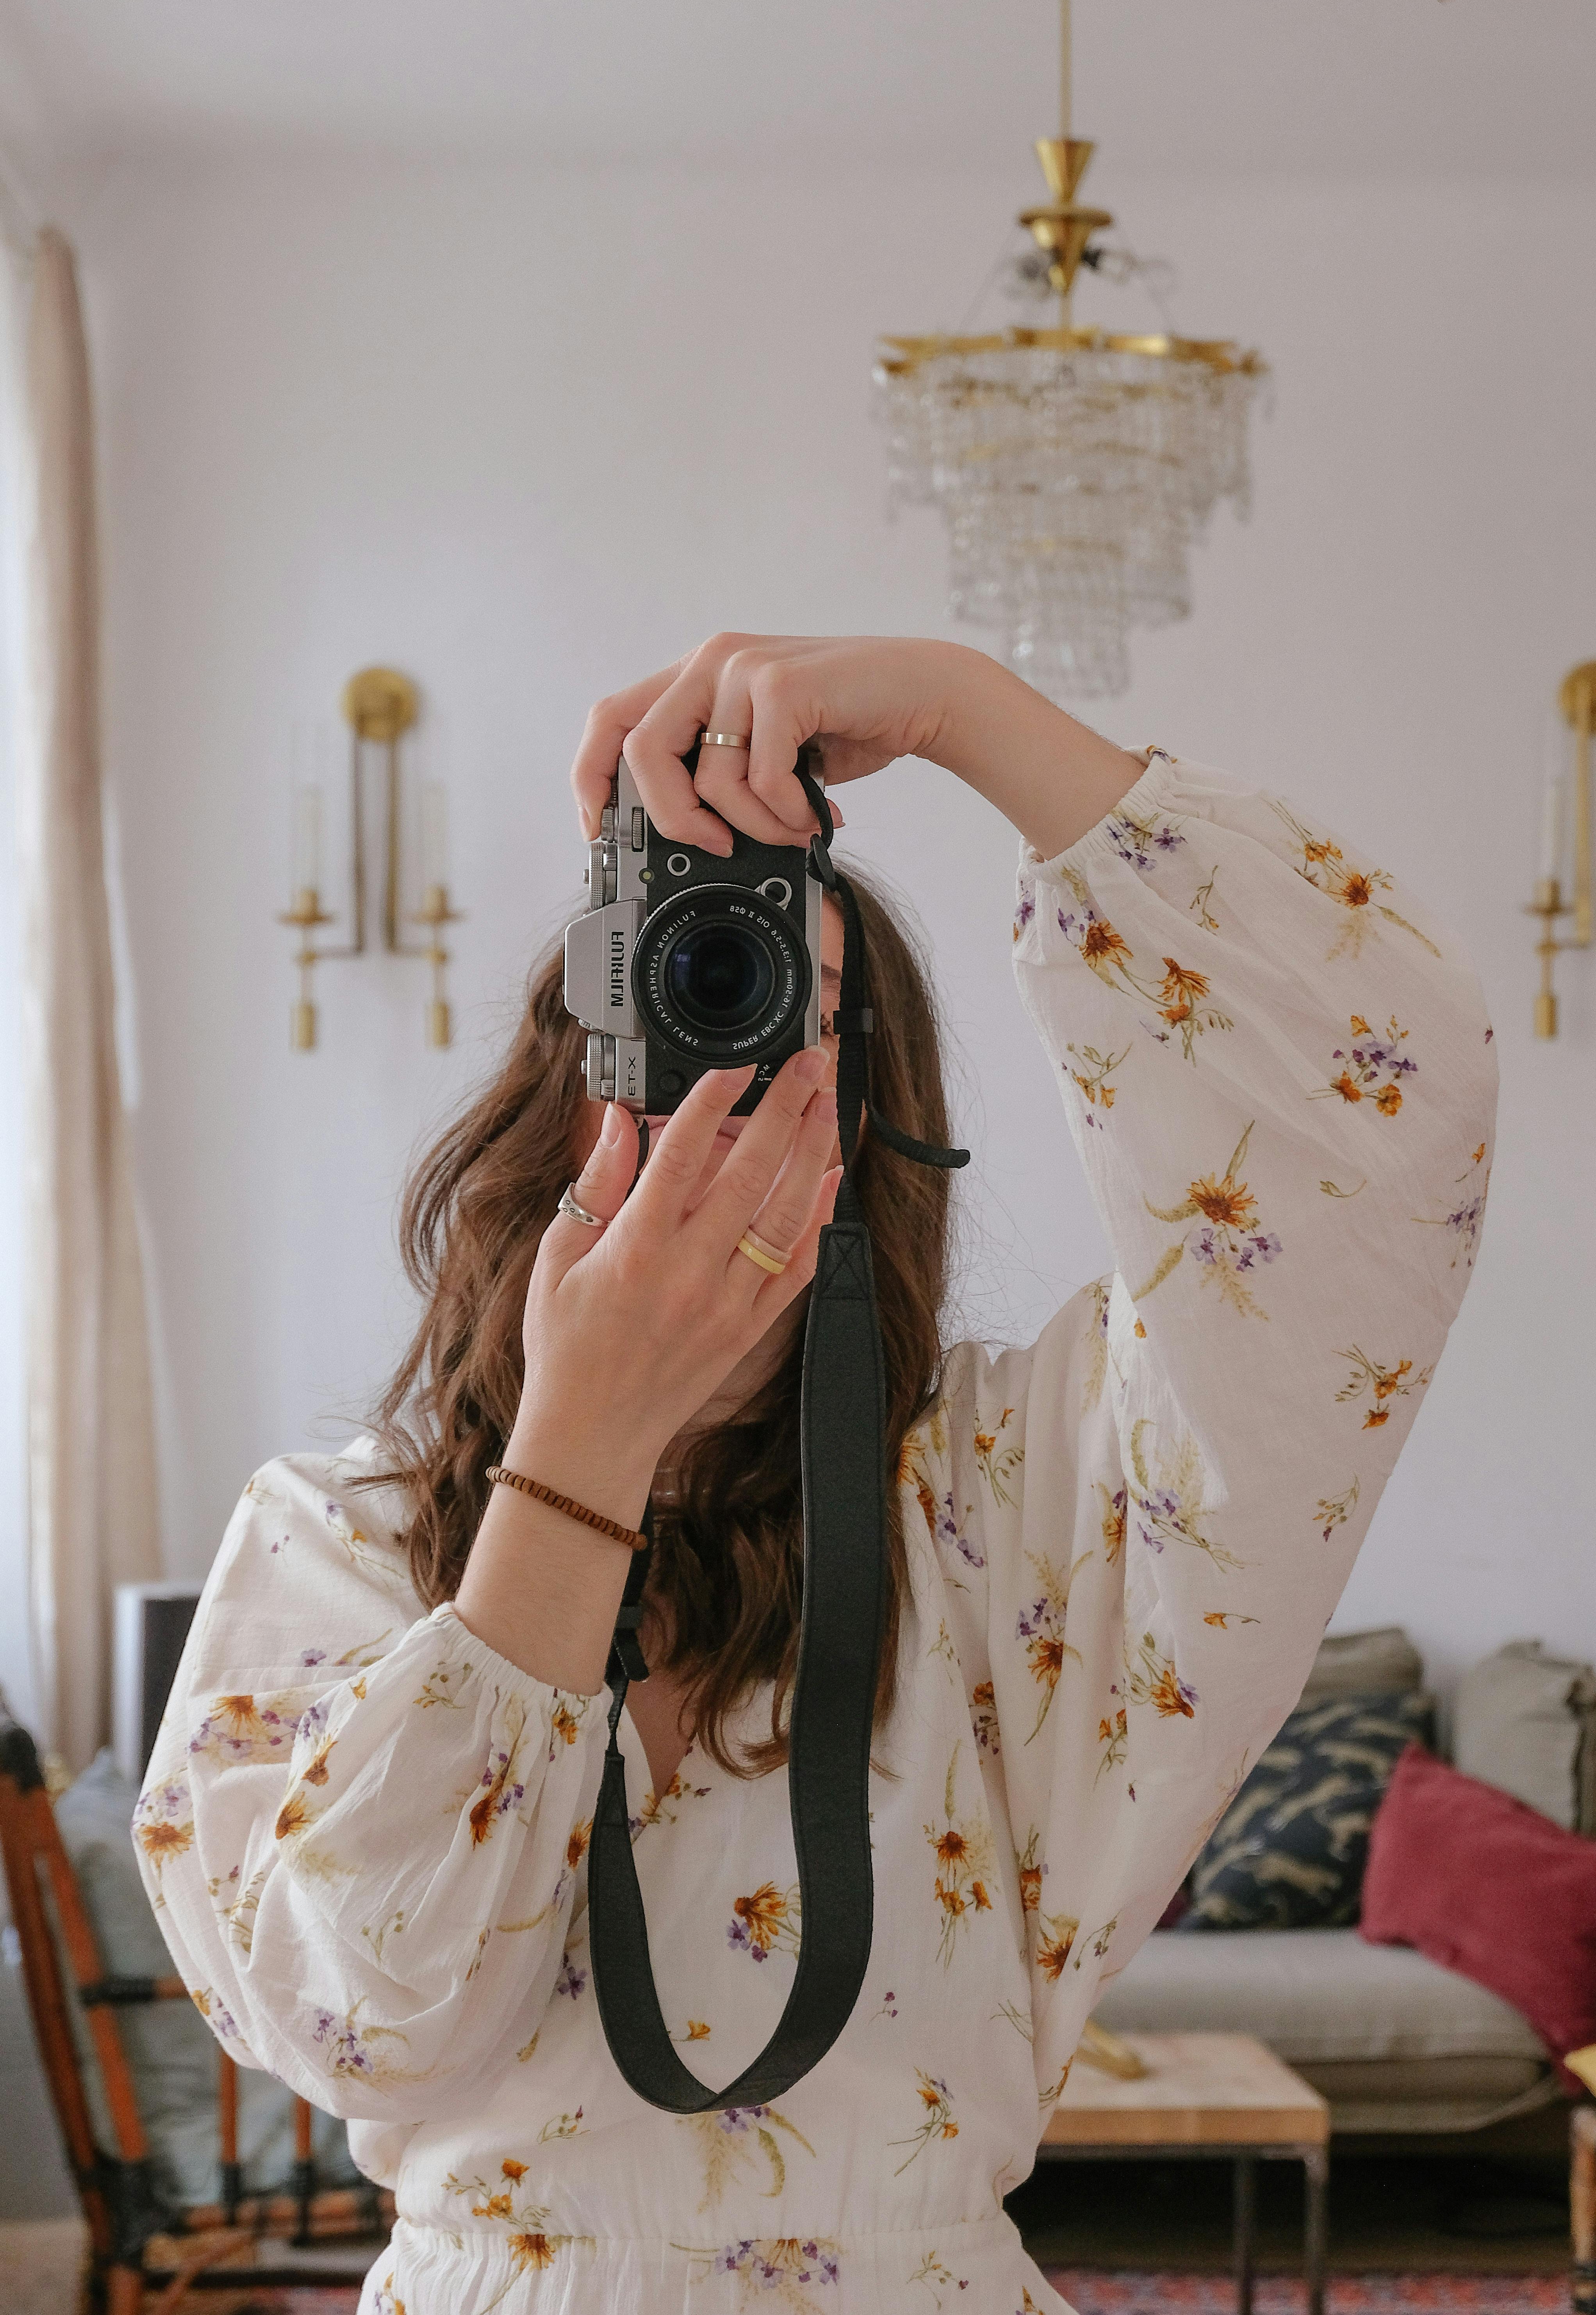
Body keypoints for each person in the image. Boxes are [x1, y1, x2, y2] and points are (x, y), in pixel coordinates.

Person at [136, 635, 1496, 2315]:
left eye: (792, 1015)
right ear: (564, 1068)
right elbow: (372, 2023)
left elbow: (1377, 1138)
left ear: (877, 1116)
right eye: (673, 996)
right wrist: (583, 1452)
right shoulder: (337, 1546)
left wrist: (959, 711)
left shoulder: (1012, 1500)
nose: (729, 1074)